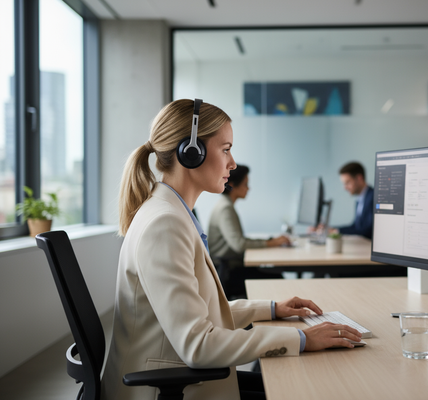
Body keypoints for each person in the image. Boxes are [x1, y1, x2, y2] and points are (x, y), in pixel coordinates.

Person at [101, 99, 362, 400]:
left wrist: (273, 309)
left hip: (175, 377)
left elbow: (204, 311)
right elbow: (198, 345)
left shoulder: (170, 213)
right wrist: (300, 338)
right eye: (225, 149)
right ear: (191, 152)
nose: (233, 163)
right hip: (163, 389)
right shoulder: (165, 225)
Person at [208, 164, 290, 299]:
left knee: (275, 274)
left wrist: (270, 241)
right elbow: (239, 244)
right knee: (276, 277)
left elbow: (240, 240)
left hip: (230, 266)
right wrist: (271, 243)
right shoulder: (225, 208)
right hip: (228, 272)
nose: (248, 188)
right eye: (246, 184)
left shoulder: (226, 205)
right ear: (233, 185)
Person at [333, 161, 374, 239]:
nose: (345, 188)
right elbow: (355, 226)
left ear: (359, 178)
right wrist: (334, 230)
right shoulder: (360, 199)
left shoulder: (373, 197)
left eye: (347, 182)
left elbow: (368, 230)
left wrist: (337, 232)